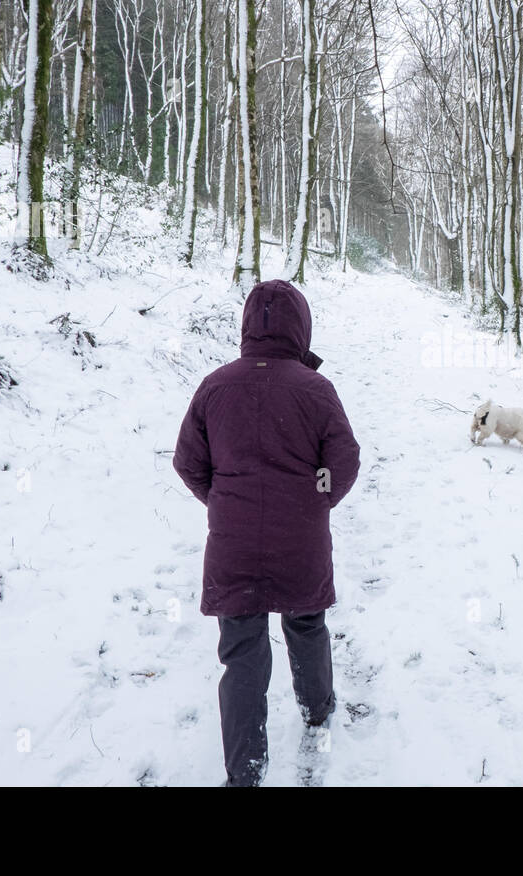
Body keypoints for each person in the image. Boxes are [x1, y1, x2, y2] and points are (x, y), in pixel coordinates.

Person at [173, 279, 360, 786]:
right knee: (306, 625)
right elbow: (343, 462)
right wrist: (314, 501)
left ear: (246, 327)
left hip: (232, 547)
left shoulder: (215, 386)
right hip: (300, 541)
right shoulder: (315, 389)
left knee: (241, 652)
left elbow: (188, 462)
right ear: (301, 327)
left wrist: (224, 501)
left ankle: (244, 773)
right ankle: (318, 708)